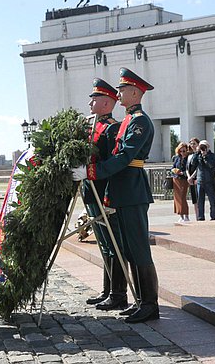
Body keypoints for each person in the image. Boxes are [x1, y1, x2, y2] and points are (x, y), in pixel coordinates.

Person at [72, 67, 159, 324]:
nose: (118, 93)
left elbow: (124, 157)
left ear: (134, 92)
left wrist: (90, 171)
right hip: (121, 191)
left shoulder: (140, 121)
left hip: (132, 190)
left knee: (139, 249)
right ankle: (140, 302)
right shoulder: (130, 120)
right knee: (129, 250)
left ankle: (150, 304)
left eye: (122, 90)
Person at [82, 78, 127, 311]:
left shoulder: (111, 129)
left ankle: (119, 293)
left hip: (104, 194)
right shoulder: (94, 127)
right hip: (91, 193)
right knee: (104, 244)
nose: (91, 102)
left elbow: (112, 165)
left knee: (114, 243)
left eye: (95, 98)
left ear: (108, 103)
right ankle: (108, 290)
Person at [190, 140, 215, 221]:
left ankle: (213, 216)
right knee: (200, 201)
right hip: (200, 181)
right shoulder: (198, 155)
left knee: (212, 201)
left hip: (209, 181)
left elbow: (211, 165)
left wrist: (205, 156)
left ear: (208, 147)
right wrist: (196, 153)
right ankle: (201, 217)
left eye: (204, 146)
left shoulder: (212, 156)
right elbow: (193, 164)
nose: (203, 148)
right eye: (201, 146)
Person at [171, 142, 190, 223]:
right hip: (176, 179)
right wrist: (174, 171)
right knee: (177, 198)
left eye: (184, 151)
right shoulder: (177, 158)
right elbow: (173, 167)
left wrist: (182, 173)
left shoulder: (188, 158)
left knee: (182, 197)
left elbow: (190, 169)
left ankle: (186, 215)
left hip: (184, 179)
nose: (182, 153)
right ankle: (180, 215)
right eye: (180, 151)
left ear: (187, 150)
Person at [186, 137, 200, 219]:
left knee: (199, 198)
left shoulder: (199, 154)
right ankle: (196, 216)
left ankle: (200, 216)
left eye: (194, 143)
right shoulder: (190, 156)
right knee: (194, 199)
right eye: (191, 143)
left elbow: (198, 167)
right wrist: (188, 177)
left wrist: (192, 177)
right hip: (190, 180)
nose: (192, 145)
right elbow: (187, 168)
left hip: (197, 178)